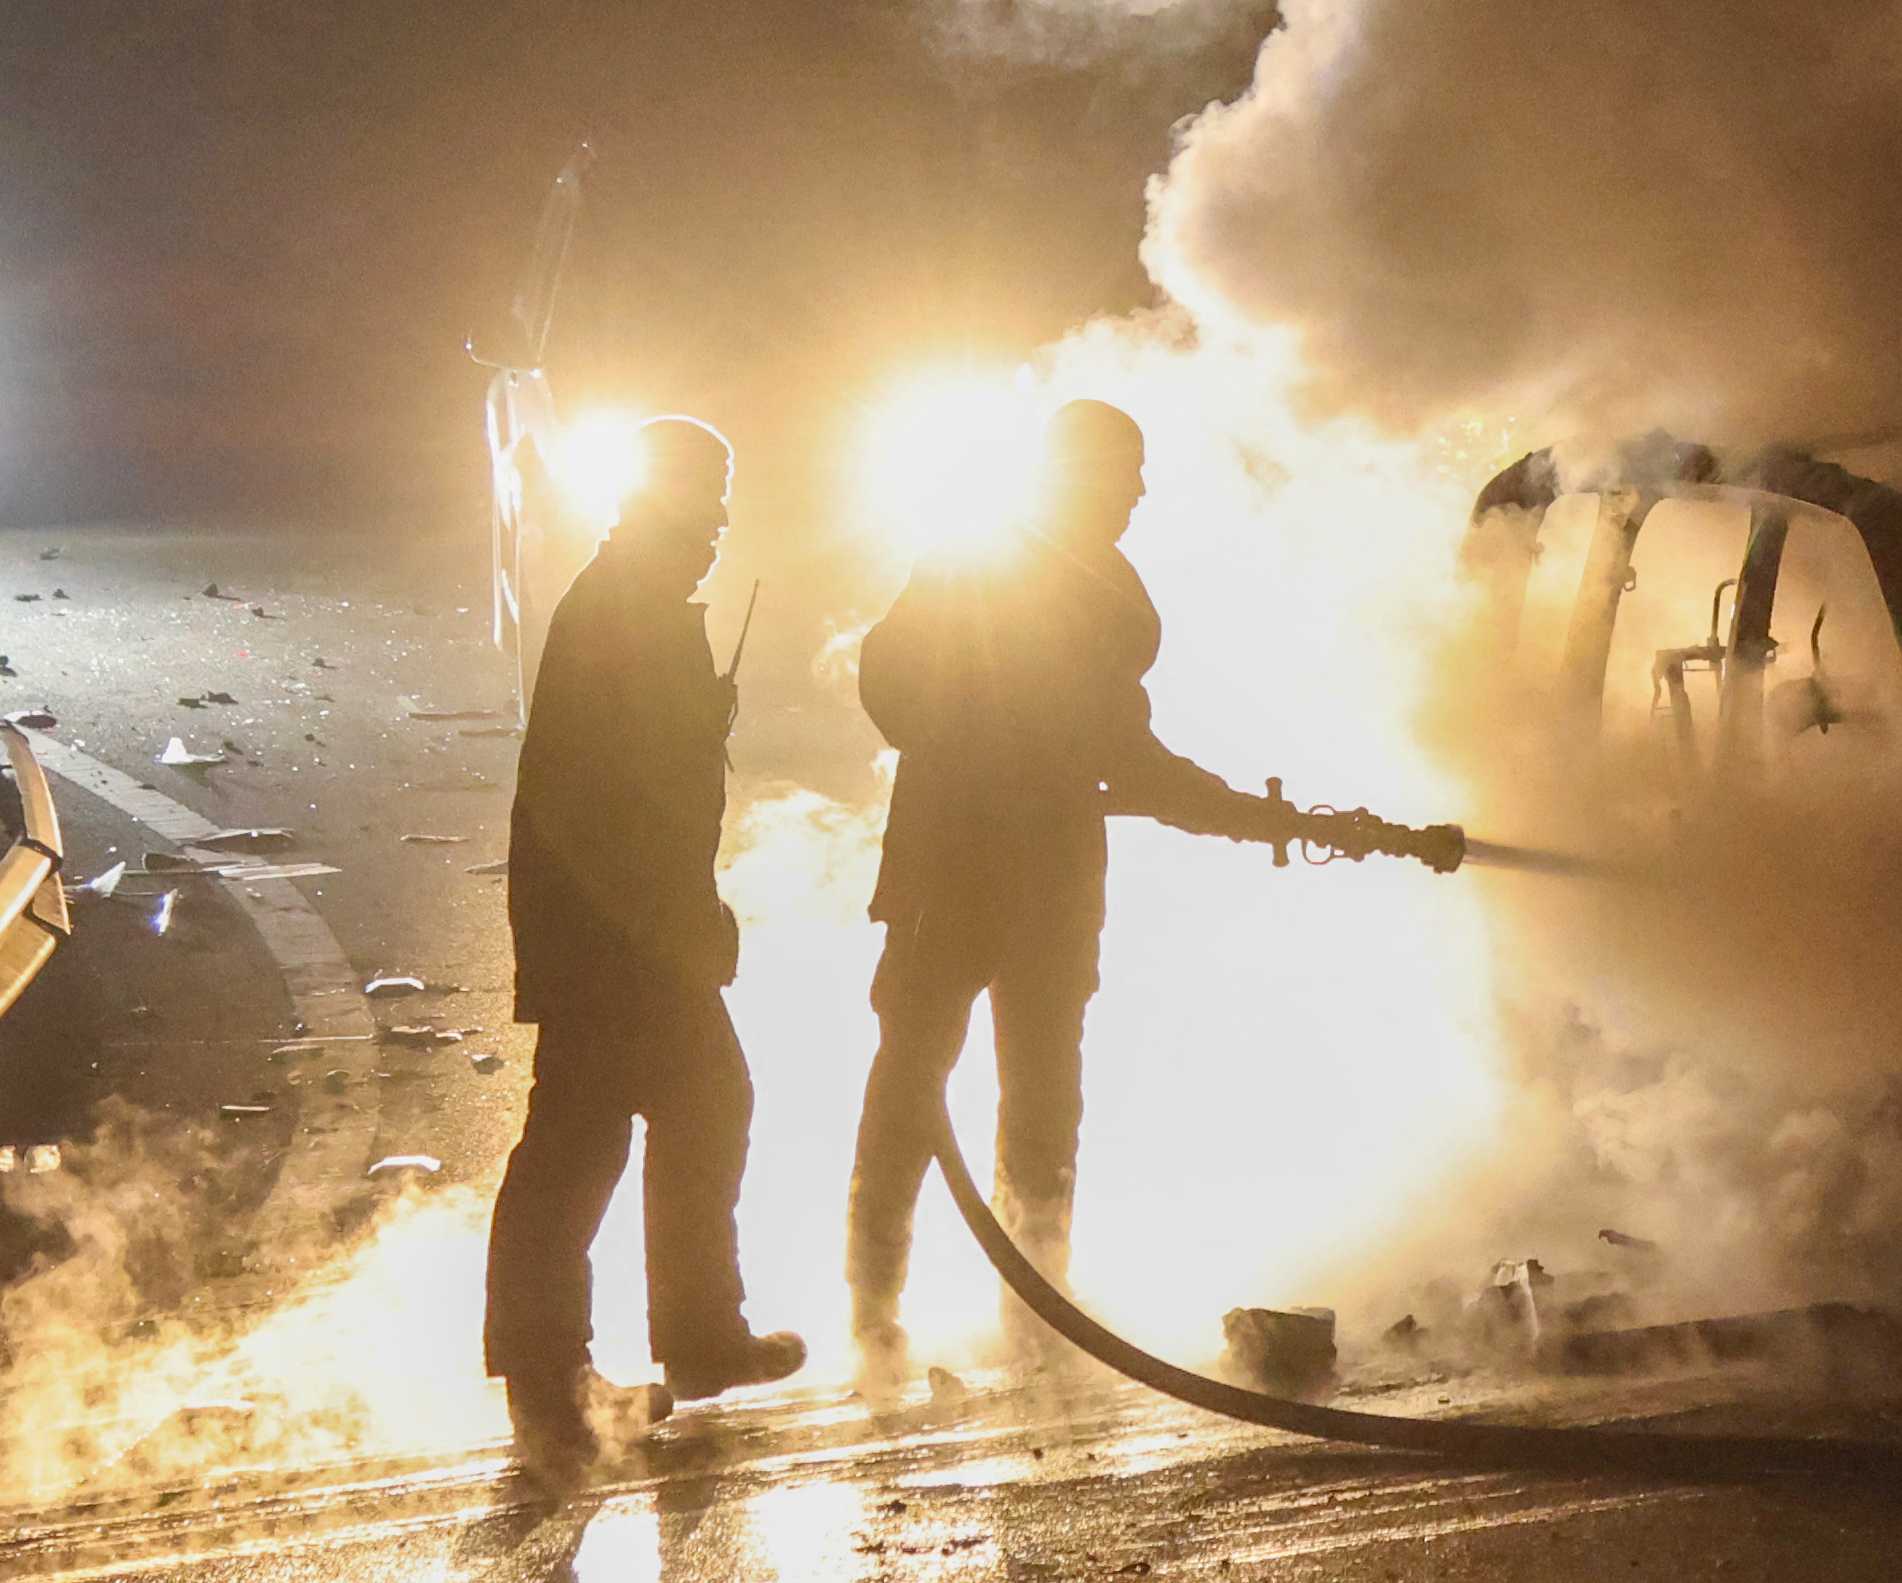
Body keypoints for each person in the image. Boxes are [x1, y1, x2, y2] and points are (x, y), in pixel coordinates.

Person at [837, 394, 1333, 1377]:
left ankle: (1028, 1303)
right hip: (965, 873)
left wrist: (1256, 813)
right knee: (918, 1087)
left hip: (1042, 879)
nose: (1139, 491)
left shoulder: (1085, 585)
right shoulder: (989, 571)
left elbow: (1116, 746)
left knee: (1029, 1094)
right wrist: (986, 755)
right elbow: (903, 689)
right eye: (1124, 471)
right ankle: (881, 1317)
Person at [489, 417, 796, 1456]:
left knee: (662, 1113)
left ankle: (665, 1345)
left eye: (718, 504)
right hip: (613, 934)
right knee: (589, 1136)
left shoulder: (638, 599)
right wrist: (680, 922)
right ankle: (560, 1374)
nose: (714, 526)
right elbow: (623, 801)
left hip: (619, 928)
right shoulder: (628, 610)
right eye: (703, 503)